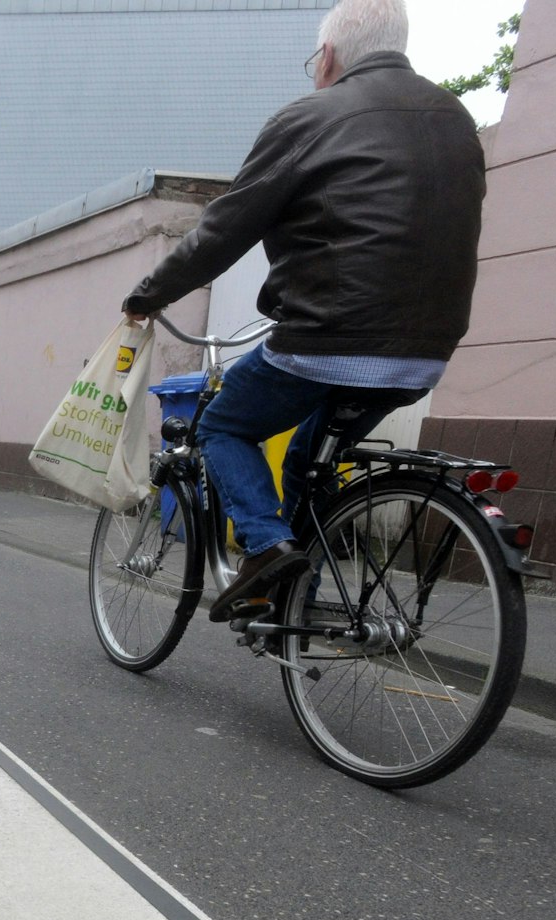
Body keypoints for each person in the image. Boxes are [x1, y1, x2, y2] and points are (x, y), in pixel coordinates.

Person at [122, 0, 485, 622]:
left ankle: (264, 550)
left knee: (222, 426)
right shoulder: (456, 117)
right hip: (424, 354)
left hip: (328, 337)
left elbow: (224, 228)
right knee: (302, 461)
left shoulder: (312, 116)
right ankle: (294, 600)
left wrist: (148, 295)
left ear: (331, 56)